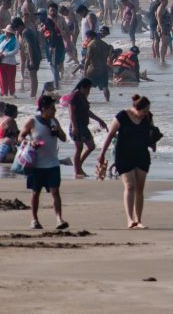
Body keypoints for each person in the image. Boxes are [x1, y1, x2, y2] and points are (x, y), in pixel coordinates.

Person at [97, 95, 159, 228]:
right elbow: (110, 135)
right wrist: (102, 154)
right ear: (137, 108)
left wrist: (153, 143)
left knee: (140, 188)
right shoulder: (122, 116)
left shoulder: (148, 117)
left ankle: (139, 220)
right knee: (130, 186)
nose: (146, 113)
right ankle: (130, 220)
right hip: (123, 155)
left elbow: (151, 133)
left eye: (148, 110)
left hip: (141, 155)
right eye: (144, 111)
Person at [20, 95, 68, 230]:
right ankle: (34, 219)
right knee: (36, 192)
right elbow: (20, 136)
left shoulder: (54, 121)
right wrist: (30, 142)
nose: (55, 111)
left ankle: (59, 219)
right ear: (43, 109)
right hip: (36, 164)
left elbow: (64, 138)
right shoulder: (33, 121)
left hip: (52, 163)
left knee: (55, 192)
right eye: (52, 108)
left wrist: (57, 132)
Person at [67, 78, 108, 179]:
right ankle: (77, 170)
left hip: (83, 126)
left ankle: (78, 166)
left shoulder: (82, 97)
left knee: (91, 146)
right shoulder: (75, 97)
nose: (88, 91)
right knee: (79, 148)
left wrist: (99, 120)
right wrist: (74, 127)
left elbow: (87, 112)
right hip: (76, 125)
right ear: (82, 87)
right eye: (87, 89)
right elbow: (71, 113)